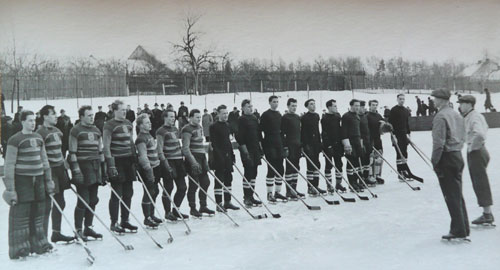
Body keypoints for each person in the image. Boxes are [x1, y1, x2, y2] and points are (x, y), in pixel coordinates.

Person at [3, 110, 55, 259]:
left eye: (34, 120)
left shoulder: (39, 138)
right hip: (22, 182)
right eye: (30, 120)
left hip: (38, 180)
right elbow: (9, 165)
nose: (33, 123)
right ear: (23, 122)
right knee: (21, 216)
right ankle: (20, 249)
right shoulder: (15, 139)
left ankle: (40, 244)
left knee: (39, 214)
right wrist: (11, 189)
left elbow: (45, 161)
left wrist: (48, 180)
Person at [430, 89, 469, 240]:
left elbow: (438, 143)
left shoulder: (440, 116)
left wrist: (435, 161)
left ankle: (458, 230)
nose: (433, 101)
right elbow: (463, 136)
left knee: (451, 195)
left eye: (435, 98)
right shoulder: (456, 114)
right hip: (457, 155)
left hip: (446, 158)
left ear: (442, 100)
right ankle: (463, 227)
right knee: (457, 194)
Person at [37, 105, 74, 243]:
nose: (56, 116)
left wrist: (64, 162)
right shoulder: (40, 133)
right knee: (48, 204)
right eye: (53, 114)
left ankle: (56, 233)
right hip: (49, 171)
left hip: (60, 169)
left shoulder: (58, 131)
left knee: (61, 202)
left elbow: (60, 150)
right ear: (45, 116)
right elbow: (41, 155)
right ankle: (42, 238)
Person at [68, 105, 105, 241]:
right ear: (81, 117)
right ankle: (78, 230)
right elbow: (72, 152)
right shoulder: (75, 130)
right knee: (83, 200)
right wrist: (76, 170)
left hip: (95, 166)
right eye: (89, 115)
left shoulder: (96, 130)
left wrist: (103, 169)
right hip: (82, 167)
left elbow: (100, 150)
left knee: (94, 199)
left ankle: (88, 227)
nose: (92, 117)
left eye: (92, 115)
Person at [458, 95, 494, 225]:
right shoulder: (471, 116)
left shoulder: (474, 116)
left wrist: (472, 147)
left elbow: (480, 134)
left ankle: (487, 214)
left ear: (469, 104)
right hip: (478, 150)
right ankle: (487, 213)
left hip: (477, 152)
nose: (460, 106)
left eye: (462, 104)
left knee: (480, 183)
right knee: (479, 182)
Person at [103, 100, 137, 233]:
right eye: (121, 110)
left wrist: (134, 156)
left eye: (125, 110)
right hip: (117, 161)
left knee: (128, 193)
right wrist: (110, 164)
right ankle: (114, 222)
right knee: (117, 193)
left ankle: (125, 220)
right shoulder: (109, 125)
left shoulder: (128, 124)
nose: (124, 112)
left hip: (128, 160)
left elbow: (131, 141)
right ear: (115, 111)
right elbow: (106, 146)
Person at [156, 110, 188, 221]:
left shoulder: (175, 129)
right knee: (168, 188)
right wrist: (165, 163)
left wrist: (182, 155)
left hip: (178, 161)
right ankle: (167, 212)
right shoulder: (160, 131)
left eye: (174, 117)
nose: (173, 119)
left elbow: (177, 144)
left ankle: (176, 209)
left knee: (183, 187)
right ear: (165, 118)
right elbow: (159, 150)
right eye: (170, 117)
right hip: (168, 161)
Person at [181, 109, 214, 217]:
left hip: (201, 157)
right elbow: (185, 148)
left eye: (200, 117)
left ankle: (203, 206)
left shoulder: (199, 128)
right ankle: (193, 208)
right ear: (190, 118)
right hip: (193, 158)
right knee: (194, 185)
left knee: (205, 182)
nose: (199, 119)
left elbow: (201, 145)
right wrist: (193, 162)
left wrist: (205, 160)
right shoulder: (186, 129)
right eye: (196, 117)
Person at [209, 105, 239, 212]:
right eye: (223, 113)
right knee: (219, 180)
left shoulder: (227, 125)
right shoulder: (213, 126)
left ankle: (227, 201)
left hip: (227, 157)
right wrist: (219, 156)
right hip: (219, 157)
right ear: (218, 114)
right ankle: (219, 203)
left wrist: (232, 155)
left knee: (228, 179)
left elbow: (229, 142)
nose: (226, 115)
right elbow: (214, 144)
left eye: (227, 113)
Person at [135, 114, 162, 228]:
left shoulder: (148, 135)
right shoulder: (141, 138)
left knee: (155, 191)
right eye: (147, 122)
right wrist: (148, 170)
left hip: (155, 167)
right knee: (149, 192)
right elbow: (143, 156)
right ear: (140, 126)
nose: (150, 124)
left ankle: (152, 214)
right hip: (148, 169)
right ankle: (147, 218)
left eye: (149, 122)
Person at [389, 94, 422, 182]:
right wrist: (393, 136)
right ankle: (400, 173)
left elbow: (407, 123)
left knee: (405, 153)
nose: (402, 100)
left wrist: (408, 134)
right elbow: (390, 125)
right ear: (397, 99)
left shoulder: (405, 110)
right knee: (399, 154)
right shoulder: (393, 110)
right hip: (397, 135)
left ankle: (405, 171)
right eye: (400, 99)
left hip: (404, 135)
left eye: (403, 99)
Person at [236, 99, 263, 207]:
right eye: (247, 106)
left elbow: (258, 134)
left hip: (255, 148)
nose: (250, 108)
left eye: (251, 106)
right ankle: (246, 197)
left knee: (254, 173)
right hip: (247, 149)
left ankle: (251, 195)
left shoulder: (254, 118)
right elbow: (239, 136)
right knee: (248, 172)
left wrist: (261, 148)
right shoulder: (241, 119)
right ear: (242, 108)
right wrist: (245, 151)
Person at [260, 96, 287, 203]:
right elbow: (260, 131)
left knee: (280, 169)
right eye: (274, 102)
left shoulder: (279, 114)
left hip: (279, 144)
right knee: (271, 169)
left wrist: (284, 145)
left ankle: (278, 192)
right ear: (269, 103)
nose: (276, 104)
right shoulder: (265, 115)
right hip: (269, 144)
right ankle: (269, 193)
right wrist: (262, 145)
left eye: (277, 102)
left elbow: (282, 132)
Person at [281, 98, 305, 200]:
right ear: (288, 106)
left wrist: (301, 145)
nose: (294, 108)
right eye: (292, 106)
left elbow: (300, 132)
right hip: (289, 146)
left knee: (296, 167)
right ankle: (288, 191)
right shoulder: (285, 117)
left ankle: (294, 189)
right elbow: (282, 133)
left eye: (295, 106)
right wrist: (285, 146)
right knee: (289, 168)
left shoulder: (297, 117)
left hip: (297, 145)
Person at [321, 99, 346, 193]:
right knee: (329, 165)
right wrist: (328, 145)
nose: (336, 107)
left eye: (336, 105)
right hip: (329, 146)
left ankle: (338, 184)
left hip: (338, 144)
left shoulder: (338, 116)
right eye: (334, 106)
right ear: (329, 107)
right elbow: (324, 133)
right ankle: (329, 184)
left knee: (339, 164)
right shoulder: (324, 118)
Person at [301, 99, 325, 196]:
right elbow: (303, 132)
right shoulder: (304, 117)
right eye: (311, 104)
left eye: (314, 104)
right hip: (308, 144)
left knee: (317, 164)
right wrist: (305, 144)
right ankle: (310, 187)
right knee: (310, 166)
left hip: (316, 143)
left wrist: (320, 143)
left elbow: (317, 130)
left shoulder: (316, 116)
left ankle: (316, 185)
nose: (313, 106)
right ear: (307, 106)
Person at [341, 100, 364, 192]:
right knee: (351, 162)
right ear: (351, 106)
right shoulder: (346, 116)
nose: (357, 107)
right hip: (350, 141)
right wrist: (346, 144)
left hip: (357, 141)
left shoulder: (357, 116)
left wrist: (361, 142)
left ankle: (356, 181)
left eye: (358, 106)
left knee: (357, 163)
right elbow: (344, 131)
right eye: (355, 106)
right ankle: (351, 183)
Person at [366, 100, 387, 184]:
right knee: (371, 158)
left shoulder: (378, 115)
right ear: (369, 106)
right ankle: (370, 176)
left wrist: (385, 125)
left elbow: (384, 126)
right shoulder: (366, 116)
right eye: (373, 105)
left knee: (378, 159)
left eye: (376, 105)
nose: (374, 106)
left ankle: (377, 175)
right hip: (370, 139)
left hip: (378, 139)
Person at [359, 101, 376, 186]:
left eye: (363, 107)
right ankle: (360, 179)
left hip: (367, 141)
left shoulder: (365, 117)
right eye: (361, 107)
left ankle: (366, 178)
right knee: (361, 162)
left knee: (367, 161)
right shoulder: (356, 117)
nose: (362, 109)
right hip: (360, 142)